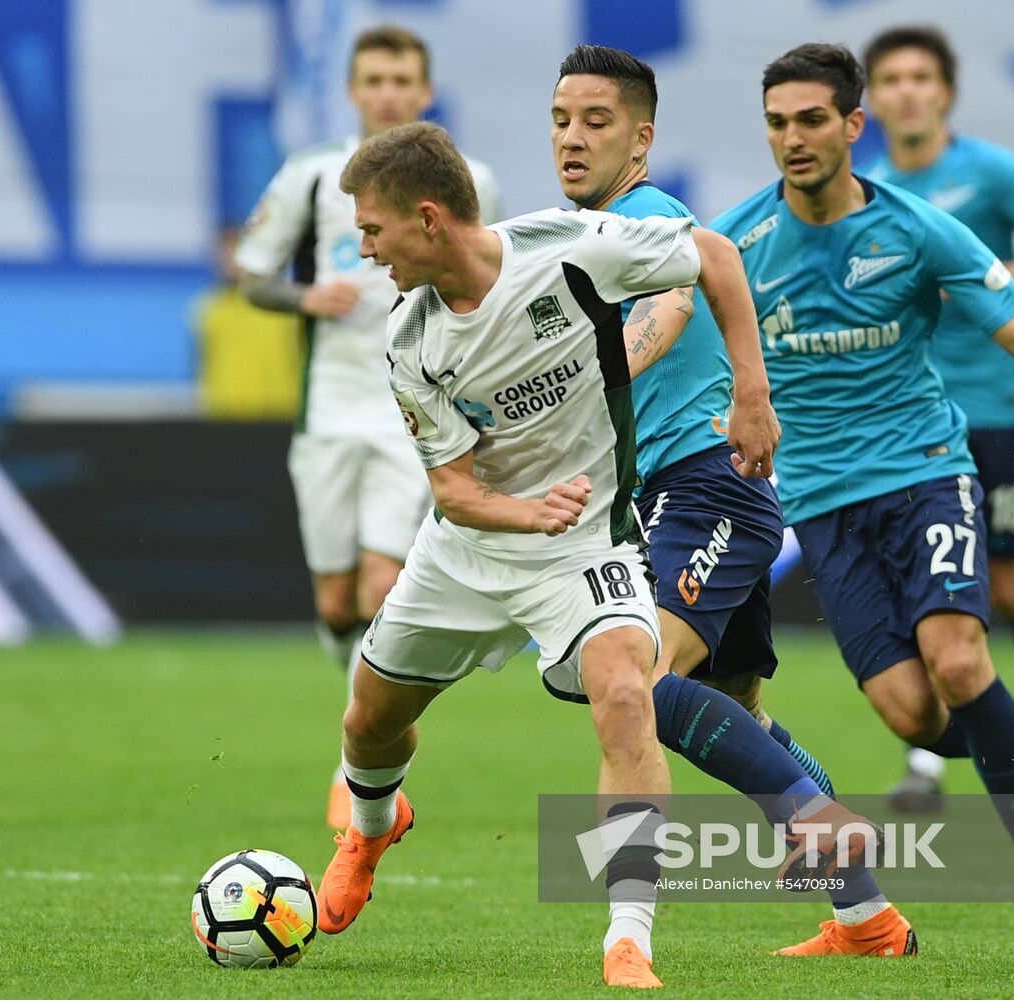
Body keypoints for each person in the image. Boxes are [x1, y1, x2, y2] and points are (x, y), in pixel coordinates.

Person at [316, 119, 776, 989]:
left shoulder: (570, 249)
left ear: (426, 218)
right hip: (468, 548)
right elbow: (453, 489)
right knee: (367, 720)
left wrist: (750, 393)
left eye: (371, 229)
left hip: (582, 546)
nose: (365, 248)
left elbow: (713, 255)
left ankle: (627, 938)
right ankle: (371, 832)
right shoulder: (411, 340)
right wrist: (522, 514)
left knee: (623, 693)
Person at [708, 43, 1014, 930]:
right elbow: (672, 338)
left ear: (851, 124)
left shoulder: (915, 227)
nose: (792, 139)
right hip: (822, 504)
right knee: (912, 717)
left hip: (926, 472)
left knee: (958, 659)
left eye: (810, 120)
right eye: (776, 123)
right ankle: (1013, 748)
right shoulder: (733, 245)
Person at [550, 44, 916, 959]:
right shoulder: (576, 236)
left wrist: (582, 382)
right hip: (684, 499)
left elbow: (668, 310)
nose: (571, 139)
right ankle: (867, 919)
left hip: (705, 490)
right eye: (560, 120)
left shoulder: (650, 216)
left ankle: (806, 820)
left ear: (641, 136)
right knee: (733, 711)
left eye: (595, 122)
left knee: (635, 681)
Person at [234, 26, 501, 828]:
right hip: (326, 415)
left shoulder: (471, 182)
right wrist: (303, 297)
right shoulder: (313, 177)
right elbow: (251, 276)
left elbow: (492, 280)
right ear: (354, 91)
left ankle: (353, 771)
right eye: (374, 78)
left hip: (410, 416)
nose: (387, 92)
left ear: (423, 94)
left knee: (382, 584)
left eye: (402, 80)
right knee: (335, 596)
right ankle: (361, 707)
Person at [860, 25, 1014, 810]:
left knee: (1006, 581)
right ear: (871, 100)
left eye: (920, 77)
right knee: (923, 588)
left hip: (993, 410)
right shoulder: (866, 193)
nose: (905, 91)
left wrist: (979, 280)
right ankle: (924, 766)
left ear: (945, 92)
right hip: (909, 423)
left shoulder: (988, 172)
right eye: (889, 79)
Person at [193, 225, 302, 421]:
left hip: (280, 416)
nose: (231, 260)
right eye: (225, 253)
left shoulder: (285, 306)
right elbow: (203, 365)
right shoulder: (209, 309)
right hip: (226, 418)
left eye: (237, 251)